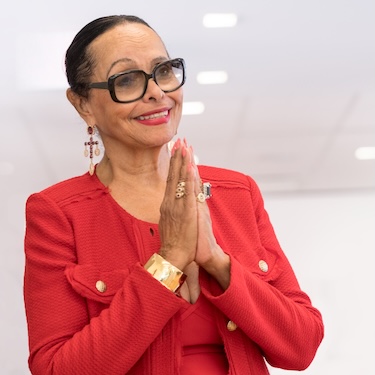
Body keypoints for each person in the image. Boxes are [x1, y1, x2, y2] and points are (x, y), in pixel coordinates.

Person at [23, 15, 324, 375]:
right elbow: (57, 370)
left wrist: (215, 260)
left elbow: (301, 346)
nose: (156, 92)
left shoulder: (238, 193)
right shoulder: (57, 213)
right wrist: (167, 263)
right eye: (128, 79)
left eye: (163, 70)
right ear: (83, 104)